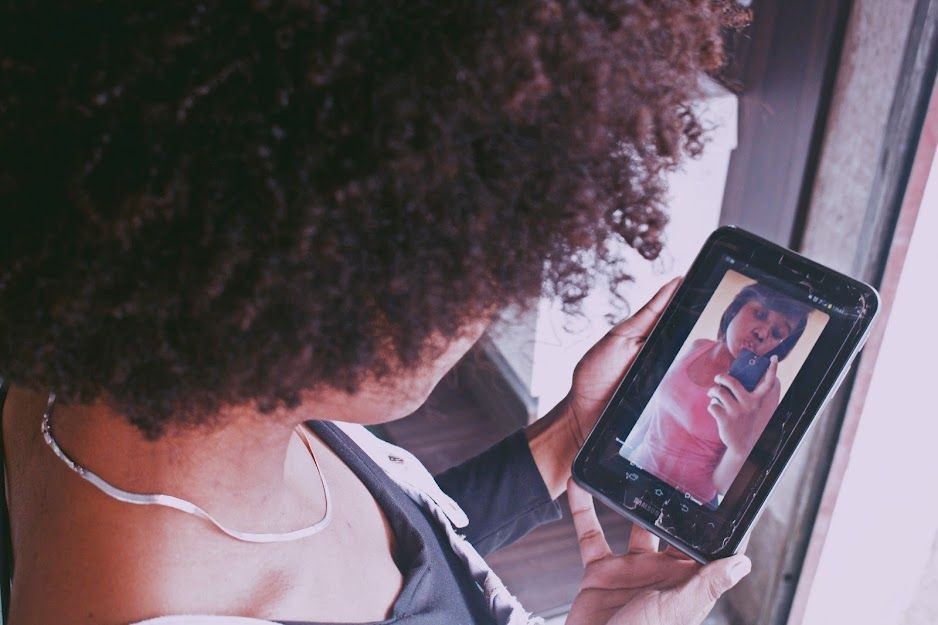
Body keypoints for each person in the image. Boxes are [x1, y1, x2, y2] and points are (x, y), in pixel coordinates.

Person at [0, 2, 752, 624]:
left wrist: (566, 442)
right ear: (335, 267)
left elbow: (392, 561)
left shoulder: (134, 364)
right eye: (477, 257)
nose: (493, 303)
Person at [624, 282, 812, 504]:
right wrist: (621, 454)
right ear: (735, 309)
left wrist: (738, 447)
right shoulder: (697, 347)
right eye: (760, 314)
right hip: (633, 472)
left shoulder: (766, 389)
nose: (762, 333)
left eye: (777, 333)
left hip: (683, 503)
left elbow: (723, 486)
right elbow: (653, 414)